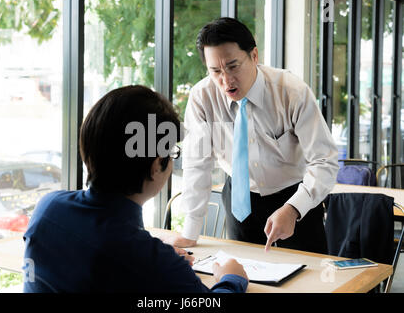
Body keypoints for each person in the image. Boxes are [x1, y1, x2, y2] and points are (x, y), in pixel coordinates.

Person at [23, 85, 248, 293]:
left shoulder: (48, 208)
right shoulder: (150, 261)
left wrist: (153, 251)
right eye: (171, 153)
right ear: (155, 165)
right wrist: (232, 278)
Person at [167, 17, 339, 254]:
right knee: (244, 273)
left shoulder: (291, 92)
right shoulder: (202, 97)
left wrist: (293, 208)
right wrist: (190, 230)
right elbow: (197, 163)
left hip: (295, 195)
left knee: (308, 275)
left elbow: (324, 160)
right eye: (215, 71)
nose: (226, 81)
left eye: (233, 66)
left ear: (254, 56)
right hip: (240, 196)